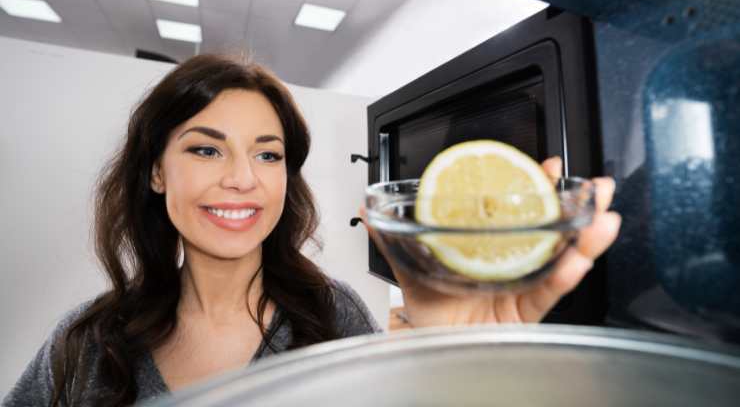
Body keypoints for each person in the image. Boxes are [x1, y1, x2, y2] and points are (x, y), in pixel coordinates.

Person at [2, 55, 620, 406]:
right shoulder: (86, 342)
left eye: (268, 155)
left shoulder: (332, 319)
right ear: (157, 172)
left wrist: (466, 374)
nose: (243, 179)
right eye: (206, 151)